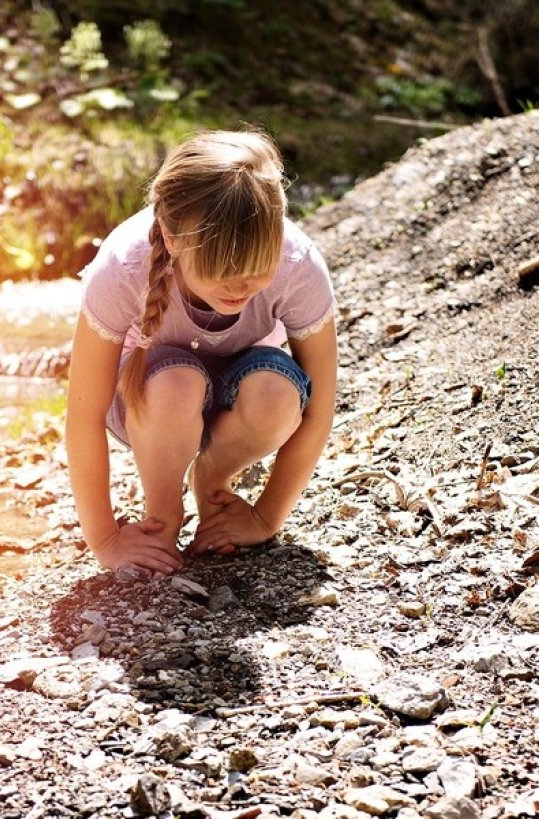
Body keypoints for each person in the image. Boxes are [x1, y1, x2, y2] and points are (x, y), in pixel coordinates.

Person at [65, 130, 338, 574]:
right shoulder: (123, 267)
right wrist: (106, 541)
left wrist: (266, 517)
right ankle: (163, 514)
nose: (240, 287)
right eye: (223, 270)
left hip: (240, 402)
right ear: (173, 240)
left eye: (256, 270)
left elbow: (320, 409)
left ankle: (211, 479)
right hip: (148, 407)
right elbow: (83, 416)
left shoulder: (298, 264)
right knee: (177, 382)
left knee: (277, 393)